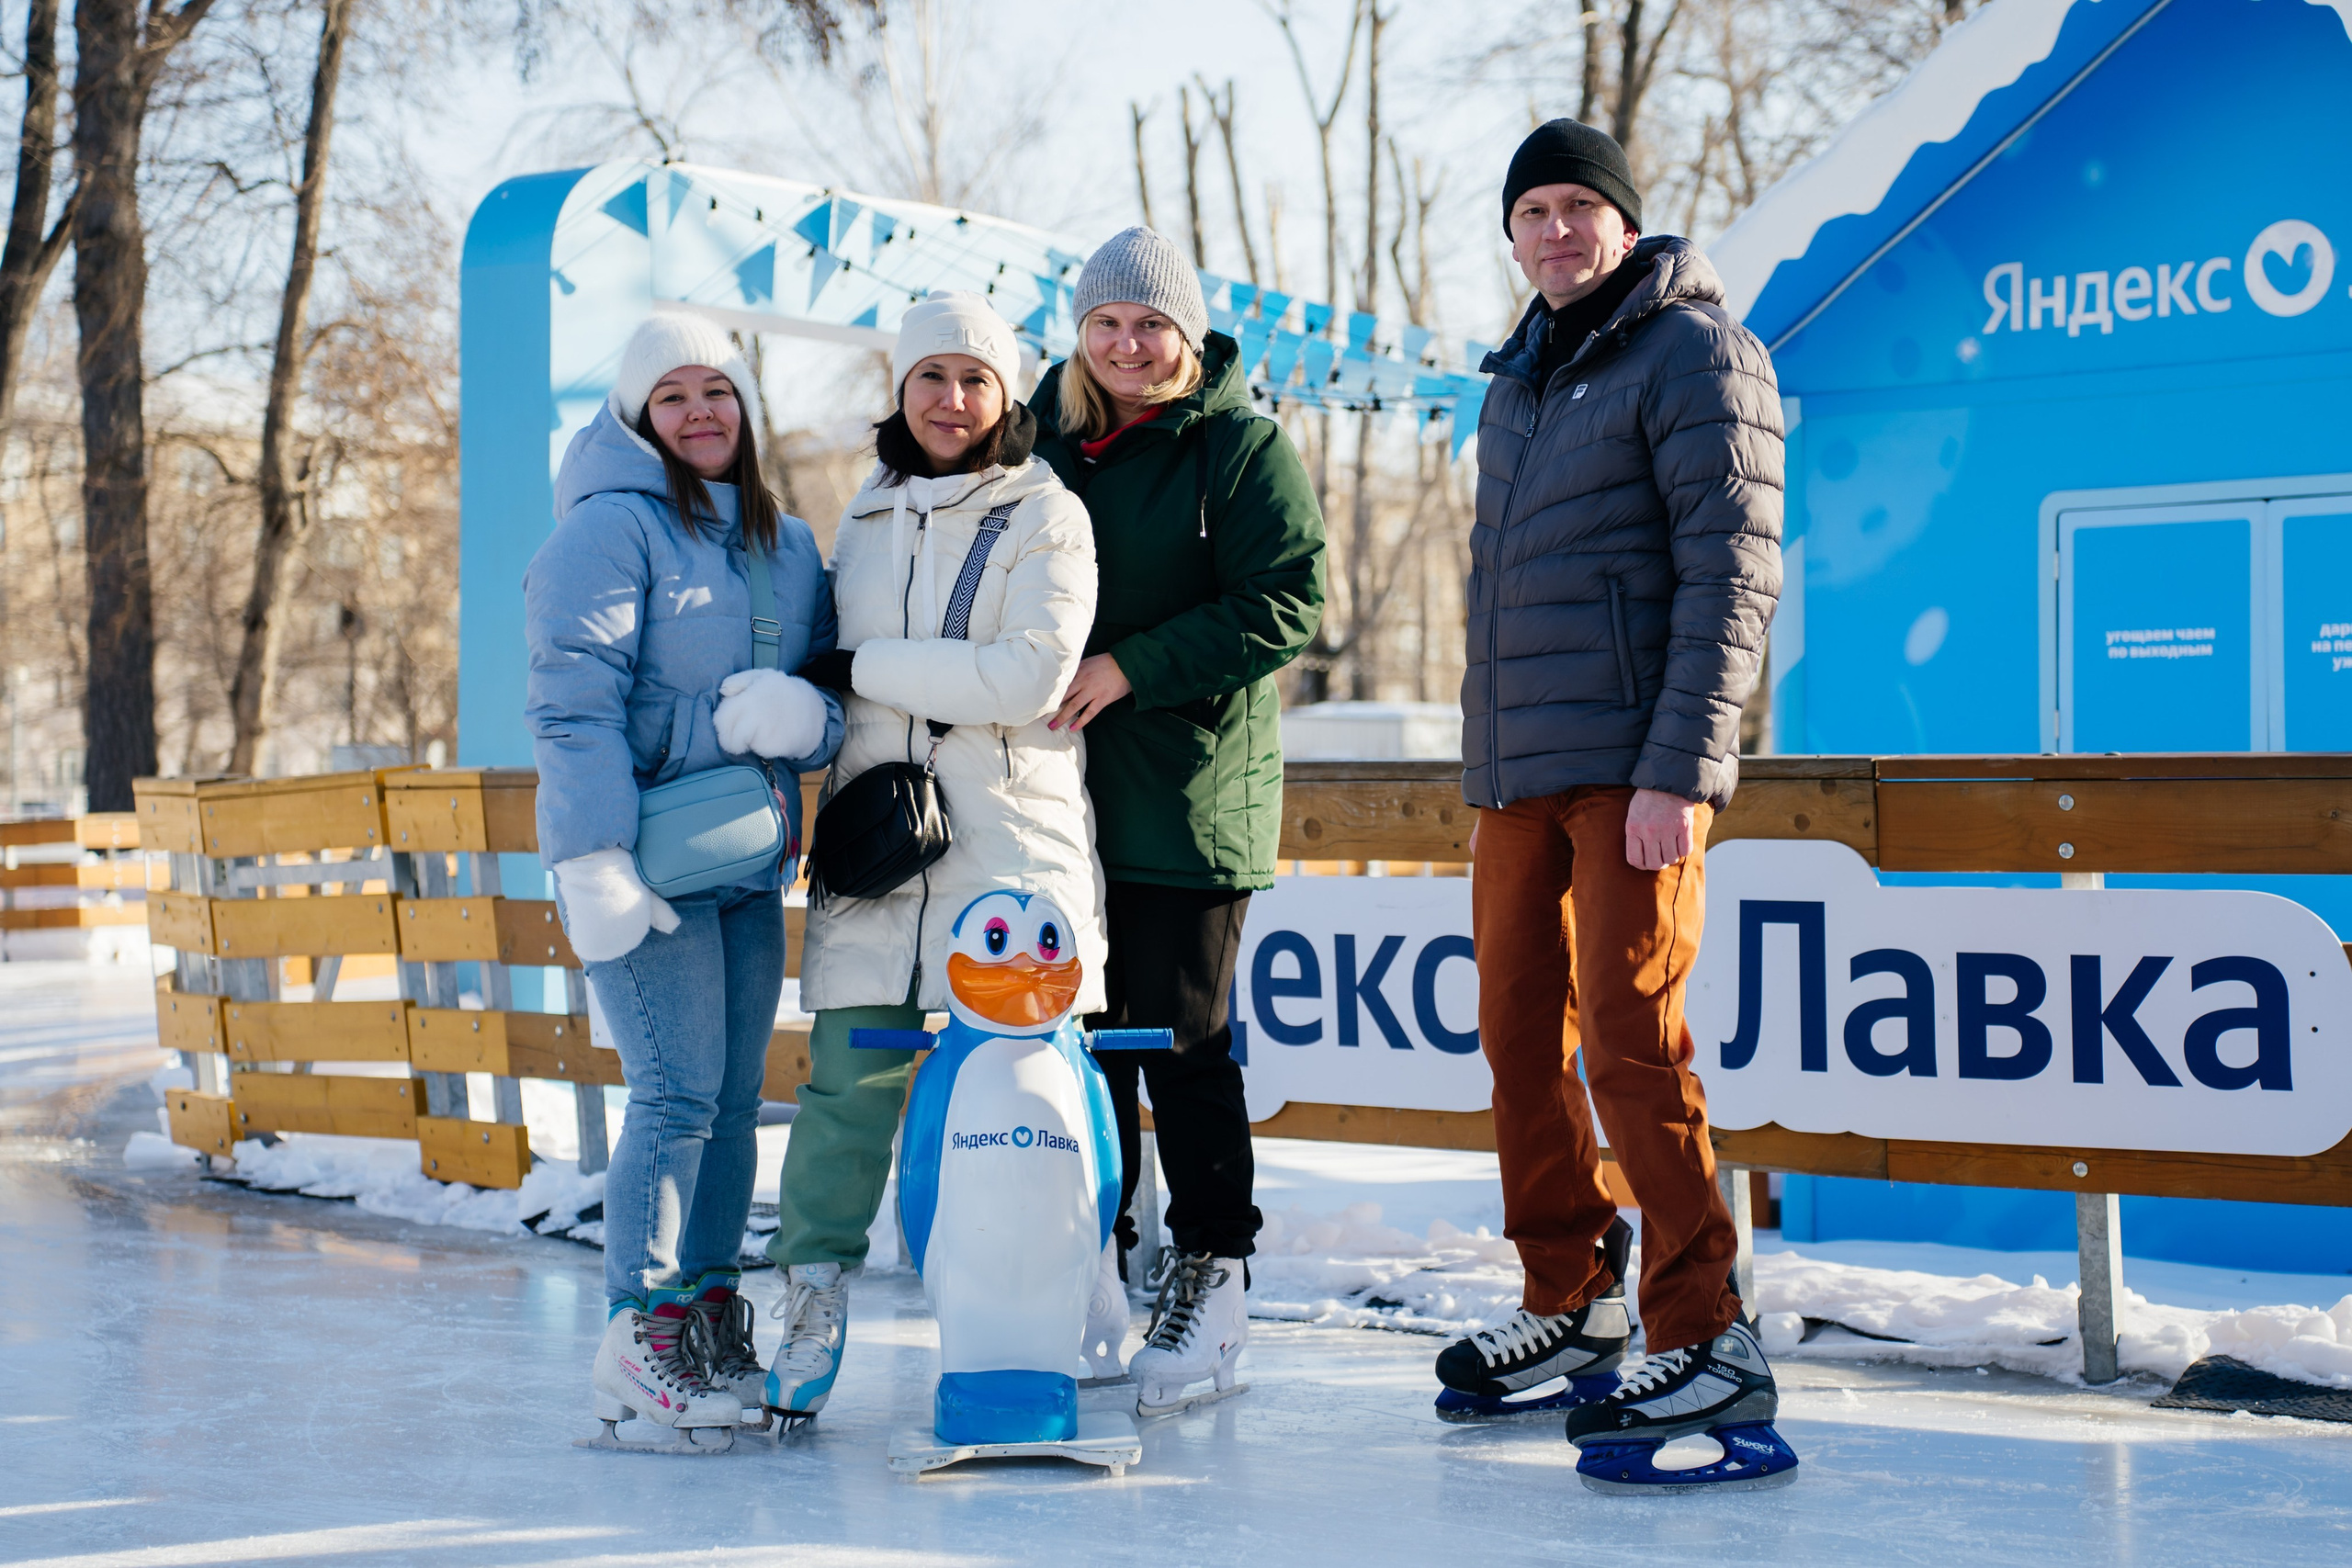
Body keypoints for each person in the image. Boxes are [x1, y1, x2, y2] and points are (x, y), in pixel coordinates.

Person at [1439, 119, 1789, 1473]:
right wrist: (1486, 768)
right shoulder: (1519, 381)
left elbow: (1731, 576)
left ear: (1626, 224)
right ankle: (1568, 1296)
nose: (1558, 230)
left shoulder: (1698, 352)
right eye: (1534, 211)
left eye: (1582, 205)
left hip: (1633, 774)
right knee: (1519, 1040)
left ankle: (1706, 1331)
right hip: (1520, 775)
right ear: (1514, 236)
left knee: (1635, 1046)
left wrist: (1678, 772)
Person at [768, 291, 1106, 1422]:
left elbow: (1025, 679)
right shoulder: (863, 514)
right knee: (844, 1091)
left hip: (1005, 855)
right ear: (899, 392)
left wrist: (860, 667)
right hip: (879, 848)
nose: (951, 400)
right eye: (930, 378)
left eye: (974, 379)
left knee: (1028, 1092)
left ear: (1007, 394)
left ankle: (1060, 1296)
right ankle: (812, 1299)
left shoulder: (1045, 512)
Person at [526, 311, 843, 1450]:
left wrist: (812, 719)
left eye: (719, 391)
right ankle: (633, 1331)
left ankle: (706, 1306)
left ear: (747, 411)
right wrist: (591, 857)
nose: (701, 412)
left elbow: (834, 694)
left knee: (725, 1096)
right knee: (667, 1091)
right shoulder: (607, 534)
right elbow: (571, 706)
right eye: (674, 396)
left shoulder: (788, 546)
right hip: (646, 864)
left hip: (748, 863)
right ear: (635, 415)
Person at [1031, 227, 1326, 1416]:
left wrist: (1131, 666)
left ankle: (1211, 1270)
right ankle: (1093, 1262)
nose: (1129, 344)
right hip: (1061, 805)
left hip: (1193, 797)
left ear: (1190, 334)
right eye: (1107, 323)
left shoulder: (1240, 448)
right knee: (1082, 1052)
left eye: (1151, 324)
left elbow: (1288, 600)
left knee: (1179, 1046)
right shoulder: (1048, 449)